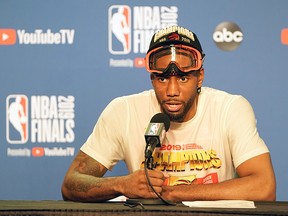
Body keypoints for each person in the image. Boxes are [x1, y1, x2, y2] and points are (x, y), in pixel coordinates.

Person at [61, 25, 276, 203]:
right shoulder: (123, 111)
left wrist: (171, 192)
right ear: (152, 78)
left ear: (200, 77)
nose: (172, 91)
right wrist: (121, 185)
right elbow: (71, 183)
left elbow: (264, 186)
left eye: (183, 79)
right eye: (162, 79)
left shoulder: (230, 108)